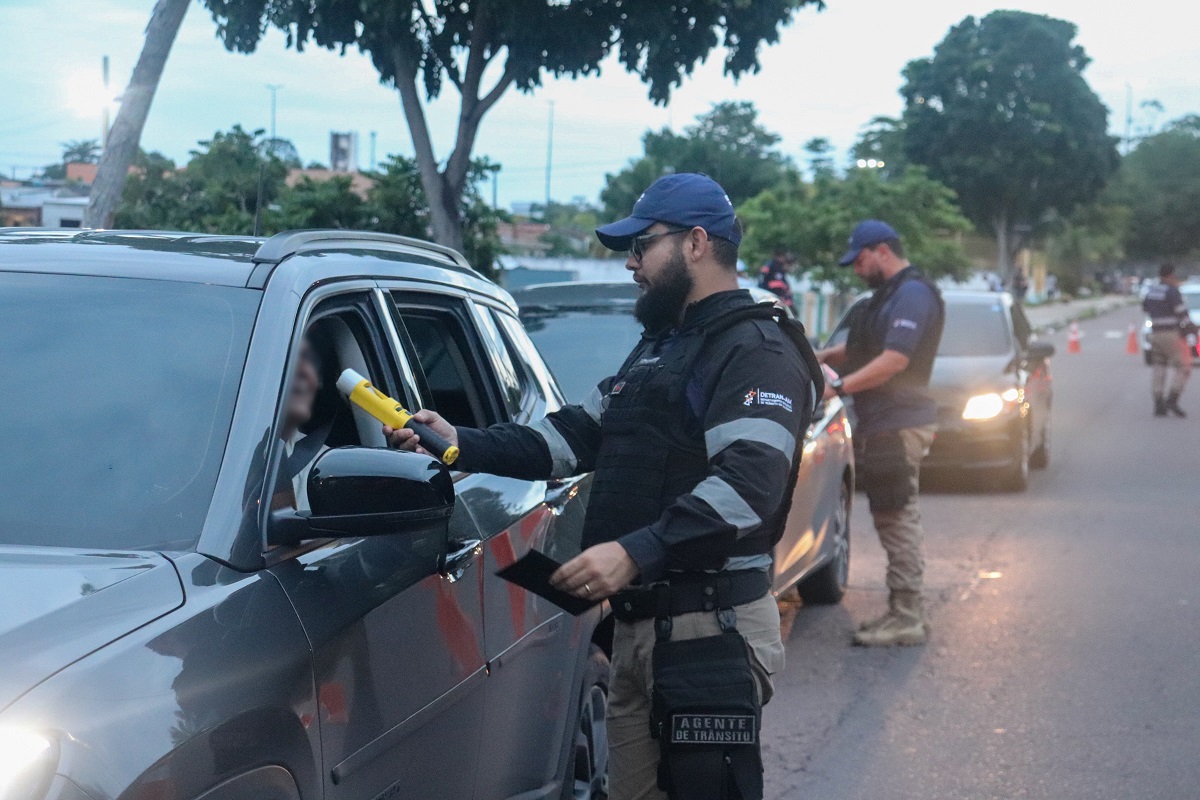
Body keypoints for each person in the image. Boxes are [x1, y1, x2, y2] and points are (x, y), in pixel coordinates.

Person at [387, 173, 821, 800]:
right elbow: (569, 439)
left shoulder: (755, 348)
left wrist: (635, 550)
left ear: (695, 243)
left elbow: (750, 486)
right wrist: (459, 441)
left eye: (642, 246)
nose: (631, 264)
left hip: (710, 634)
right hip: (639, 631)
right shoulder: (660, 346)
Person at [816, 220, 945, 647]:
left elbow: (893, 361)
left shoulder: (913, 294)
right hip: (884, 422)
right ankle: (902, 611)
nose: (856, 269)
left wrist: (838, 386)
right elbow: (861, 350)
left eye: (859, 259)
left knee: (896, 517)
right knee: (890, 514)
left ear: (882, 251)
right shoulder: (889, 296)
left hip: (899, 421)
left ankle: (907, 615)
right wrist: (814, 357)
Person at [273, 338, 328, 511]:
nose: (305, 371)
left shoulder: (325, 466)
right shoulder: (206, 458)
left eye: (311, 361)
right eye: (290, 358)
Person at [1142, 263, 1196, 418]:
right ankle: (1172, 399)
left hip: (1155, 334)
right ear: (1171, 275)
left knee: (1159, 366)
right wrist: (1191, 327)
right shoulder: (1172, 291)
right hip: (1171, 334)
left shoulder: (1152, 291)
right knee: (1184, 366)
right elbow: (1181, 313)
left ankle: (1158, 403)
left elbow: (1145, 308)